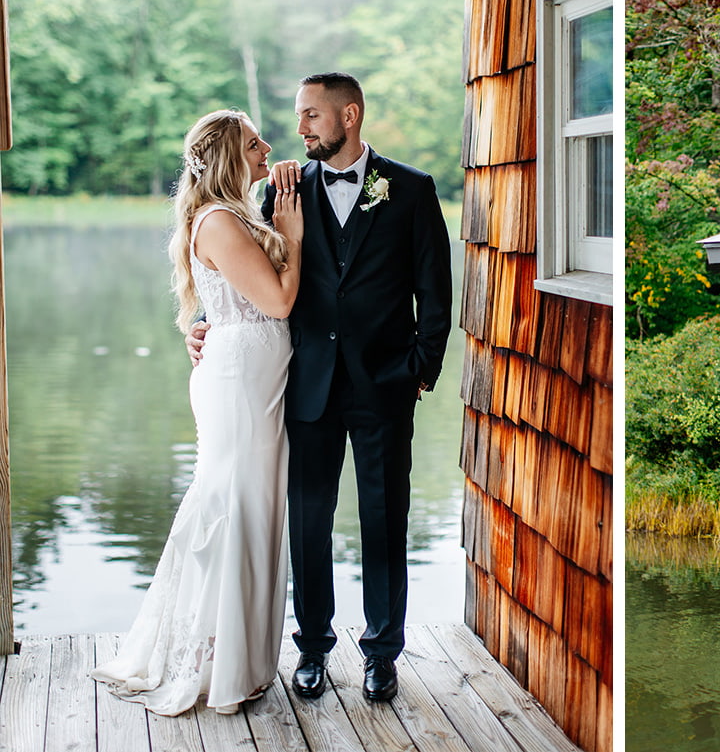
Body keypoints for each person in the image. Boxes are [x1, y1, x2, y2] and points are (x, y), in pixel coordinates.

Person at [187, 72, 453, 703]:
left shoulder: (411, 190)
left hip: (385, 384)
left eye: (311, 115)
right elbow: (241, 274)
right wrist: (204, 327)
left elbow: (436, 290)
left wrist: (420, 366)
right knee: (308, 521)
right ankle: (311, 647)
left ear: (349, 116)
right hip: (301, 383)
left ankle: (383, 653)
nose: (299, 127)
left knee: (386, 520)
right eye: (299, 115)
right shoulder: (279, 191)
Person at [91, 110, 303, 715]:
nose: (267, 147)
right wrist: (294, 233)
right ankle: (217, 661)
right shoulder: (217, 220)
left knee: (254, 507)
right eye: (253, 141)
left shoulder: (235, 215)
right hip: (239, 385)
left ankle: (244, 657)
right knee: (232, 508)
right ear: (229, 156)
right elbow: (279, 301)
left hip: (252, 376)